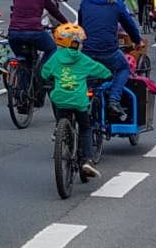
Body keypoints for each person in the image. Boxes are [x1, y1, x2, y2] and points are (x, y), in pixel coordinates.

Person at [40, 22, 112, 179]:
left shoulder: (56, 57)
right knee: (85, 128)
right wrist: (107, 75)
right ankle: (86, 160)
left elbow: (44, 73)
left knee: (62, 119)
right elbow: (103, 72)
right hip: (79, 101)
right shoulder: (83, 59)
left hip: (60, 99)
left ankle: (63, 139)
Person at [76, 0, 143, 123]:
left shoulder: (85, 2)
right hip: (109, 50)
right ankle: (114, 99)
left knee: (85, 73)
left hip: (87, 49)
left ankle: (83, 98)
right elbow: (129, 24)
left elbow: (81, 24)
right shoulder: (117, 4)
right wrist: (137, 41)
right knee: (123, 68)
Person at [8, 0, 73, 88]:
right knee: (51, 48)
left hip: (14, 32)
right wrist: (66, 23)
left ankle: (21, 89)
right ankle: (41, 71)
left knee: (21, 58)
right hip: (34, 32)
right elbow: (54, 12)